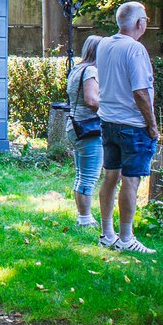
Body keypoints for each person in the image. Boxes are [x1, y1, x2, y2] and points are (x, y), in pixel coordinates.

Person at [96, 1, 158, 254]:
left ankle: (107, 233)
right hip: (132, 125)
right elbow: (140, 92)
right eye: (145, 20)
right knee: (130, 182)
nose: (146, 24)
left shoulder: (104, 45)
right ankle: (126, 237)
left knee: (110, 177)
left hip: (108, 121)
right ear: (139, 23)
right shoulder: (135, 49)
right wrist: (152, 125)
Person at [66, 35, 104, 228]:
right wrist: (109, 111)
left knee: (81, 173)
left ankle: (83, 216)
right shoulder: (91, 70)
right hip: (88, 128)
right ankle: (85, 218)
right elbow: (91, 100)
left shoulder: (77, 69)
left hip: (74, 126)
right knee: (89, 175)